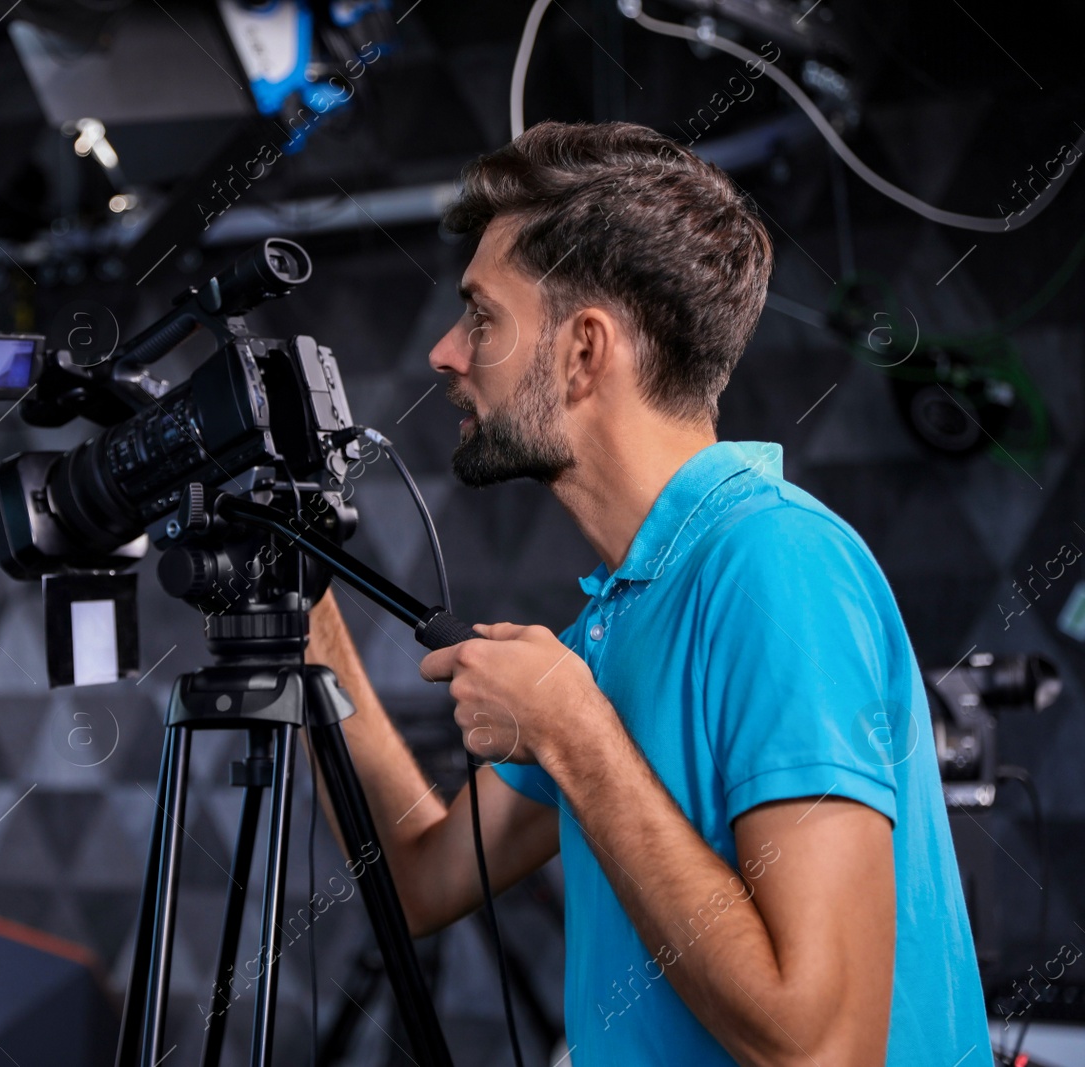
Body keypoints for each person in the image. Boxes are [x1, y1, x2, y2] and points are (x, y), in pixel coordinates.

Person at [305, 120, 990, 1065]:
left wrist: (572, 732)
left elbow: (820, 1045)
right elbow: (420, 878)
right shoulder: (617, 620)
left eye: (482, 316)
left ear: (585, 351)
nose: (444, 353)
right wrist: (304, 615)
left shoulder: (777, 562)